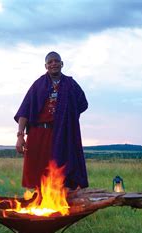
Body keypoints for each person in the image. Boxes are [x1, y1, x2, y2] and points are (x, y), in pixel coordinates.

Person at [14, 51, 88, 190]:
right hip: (39, 133)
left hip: (62, 134)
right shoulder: (38, 85)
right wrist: (20, 135)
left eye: (56, 61)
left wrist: (67, 119)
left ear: (62, 64)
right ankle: (39, 203)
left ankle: (61, 203)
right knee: (38, 172)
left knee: (61, 170)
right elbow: (24, 110)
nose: (53, 64)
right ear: (45, 66)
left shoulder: (71, 85)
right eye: (50, 62)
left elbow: (82, 104)